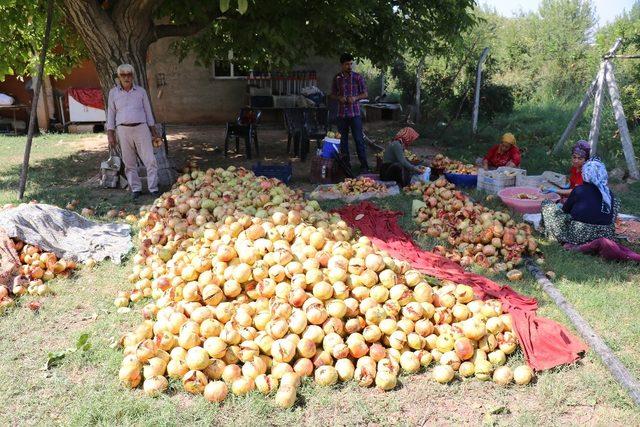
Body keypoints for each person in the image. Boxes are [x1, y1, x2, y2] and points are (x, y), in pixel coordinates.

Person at [106, 64, 162, 200]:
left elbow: (148, 112)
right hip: (123, 130)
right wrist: (110, 135)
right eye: (123, 75)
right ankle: (136, 189)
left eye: (129, 74)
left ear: (133, 76)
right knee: (129, 162)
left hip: (141, 128)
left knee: (150, 160)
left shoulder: (141, 91)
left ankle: (153, 188)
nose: (126, 77)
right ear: (119, 77)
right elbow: (111, 115)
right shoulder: (113, 93)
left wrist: (154, 132)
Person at [541, 157, 617, 245]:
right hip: (605, 234)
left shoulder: (579, 190)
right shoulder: (608, 193)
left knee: (546, 204)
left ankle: (547, 231)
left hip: (580, 235)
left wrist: (559, 206)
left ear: (585, 174)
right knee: (615, 202)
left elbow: (565, 211)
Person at [330, 53, 369, 173]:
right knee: (343, 142)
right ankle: (347, 166)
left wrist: (356, 98)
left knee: (359, 140)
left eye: (351, 63)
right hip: (342, 115)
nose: (349, 66)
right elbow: (332, 94)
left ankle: (364, 166)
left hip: (355, 114)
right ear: (342, 65)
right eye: (347, 64)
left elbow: (365, 94)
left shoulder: (358, 77)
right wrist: (339, 98)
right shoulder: (337, 78)